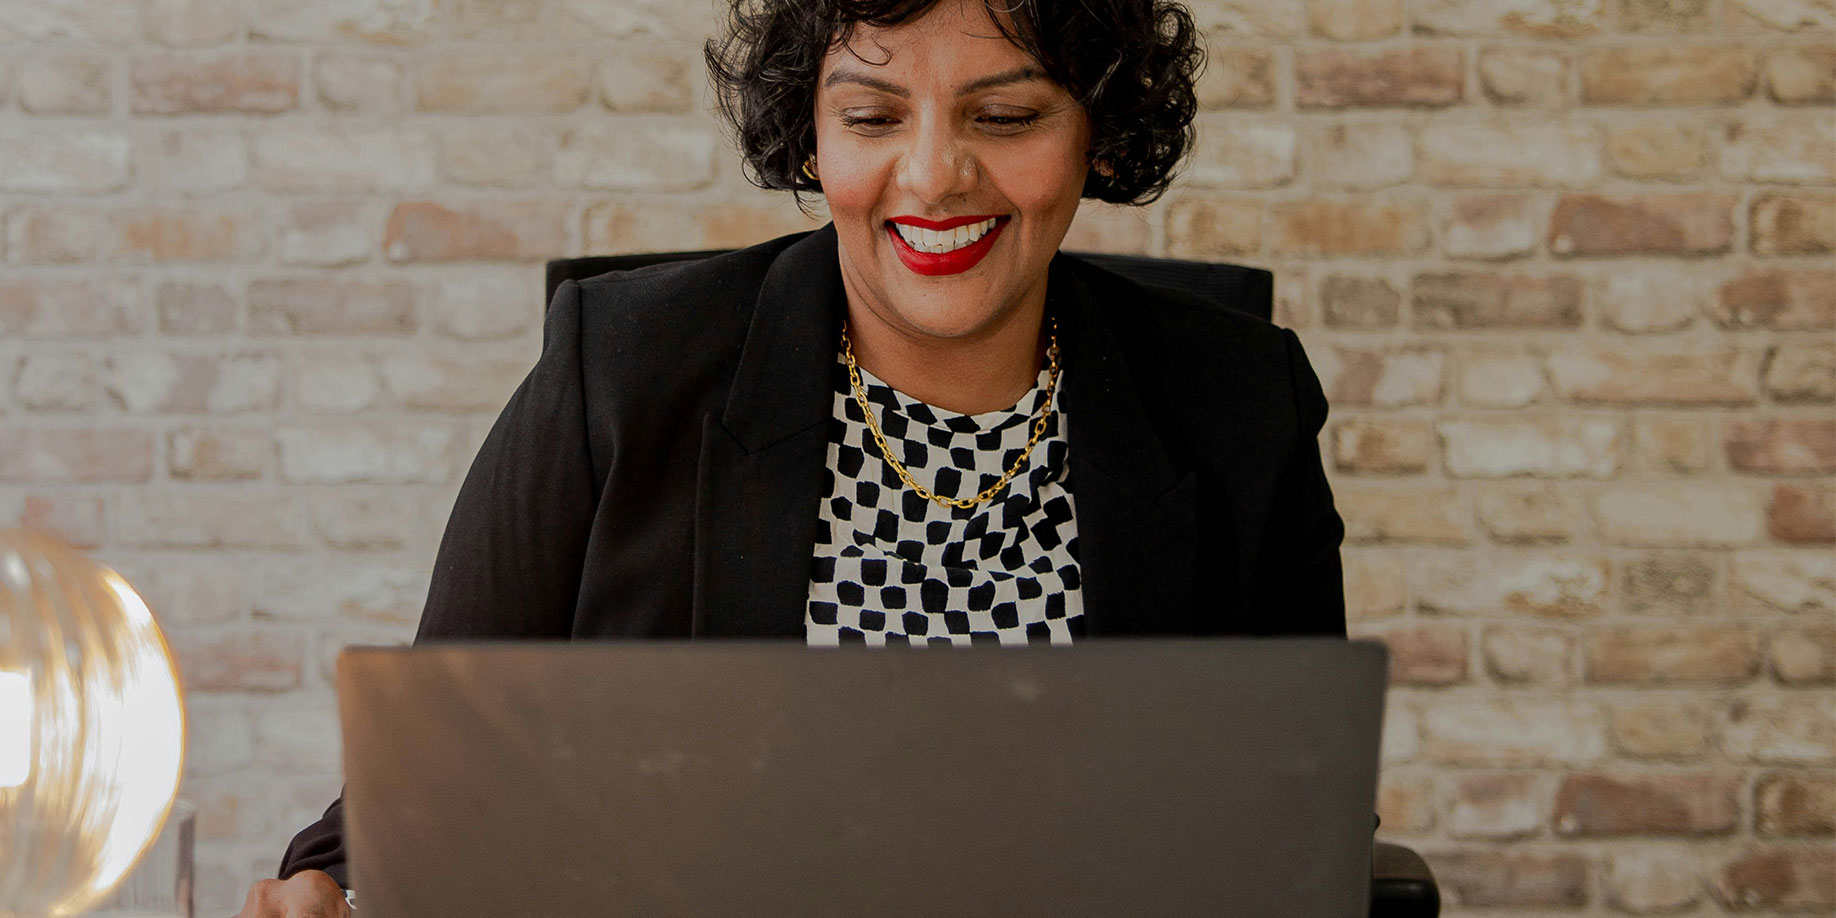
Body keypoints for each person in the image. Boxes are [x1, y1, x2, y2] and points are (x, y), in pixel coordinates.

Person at [236, 0, 1344, 912]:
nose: (934, 175)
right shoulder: (622, 375)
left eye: (1004, 117)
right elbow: (426, 776)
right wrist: (328, 883)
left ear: (1092, 130)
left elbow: (1300, 833)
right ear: (810, 136)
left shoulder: (1240, 406)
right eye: (871, 117)